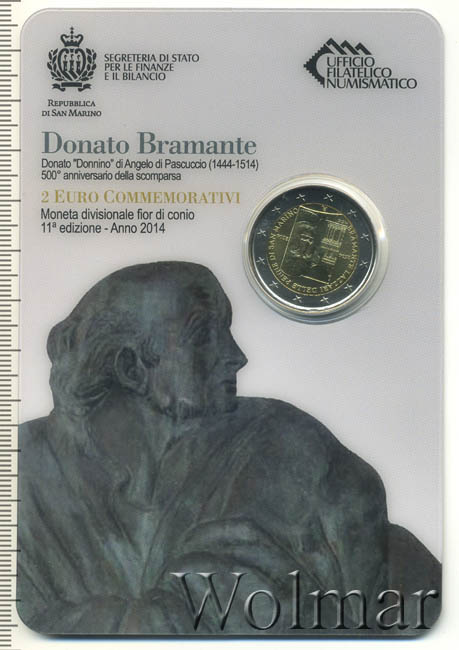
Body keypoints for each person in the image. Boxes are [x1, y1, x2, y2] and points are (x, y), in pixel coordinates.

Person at [18, 262, 440, 635]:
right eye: (204, 335)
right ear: (131, 369)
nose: (236, 357)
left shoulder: (278, 439)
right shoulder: (24, 472)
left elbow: (385, 577)